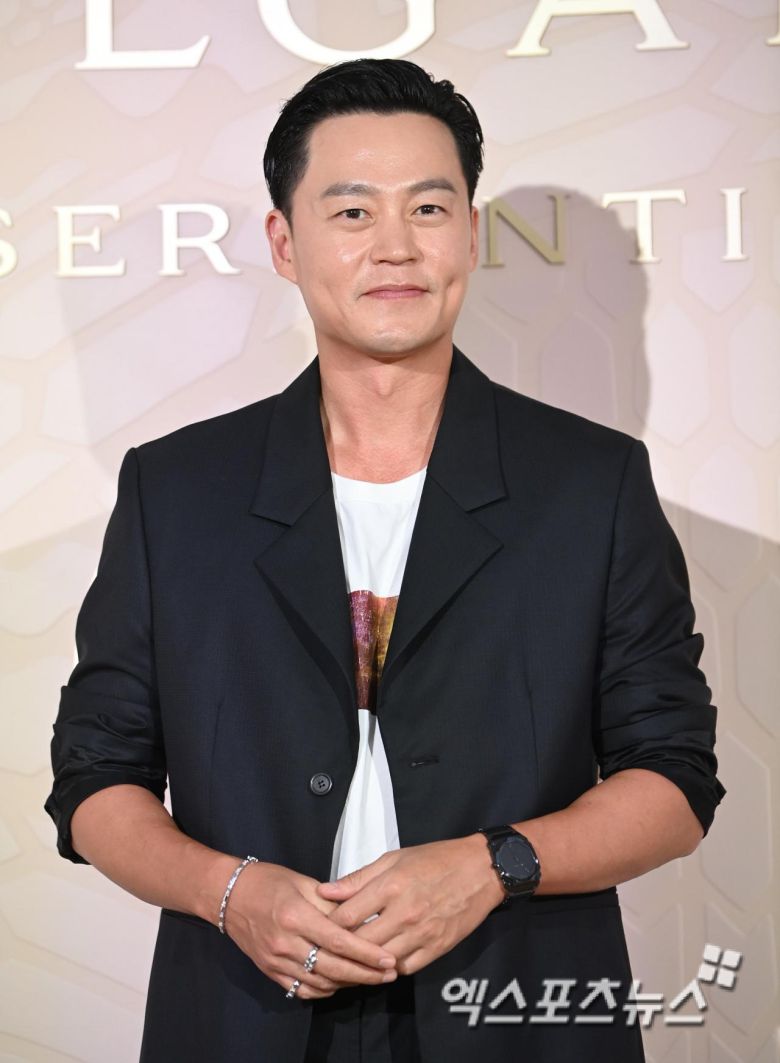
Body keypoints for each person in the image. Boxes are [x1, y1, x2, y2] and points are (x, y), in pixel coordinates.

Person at [44, 58, 726, 1063]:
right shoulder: (177, 491)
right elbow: (95, 776)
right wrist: (231, 893)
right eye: (353, 211)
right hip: (244, 1016)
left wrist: (493, 865)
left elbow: (673, 778)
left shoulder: (592, 484)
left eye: (429, 208)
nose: (396, 245)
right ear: (285, 242)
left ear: (471, 236)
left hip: (518, 1014)